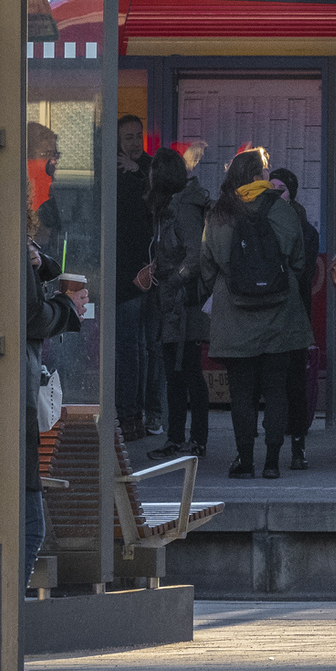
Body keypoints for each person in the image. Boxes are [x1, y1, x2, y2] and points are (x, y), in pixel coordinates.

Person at [200, 148, 309, 479]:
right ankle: (273, 462)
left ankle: (244, 460)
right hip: (280, 317)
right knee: (276, 390)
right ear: (259, 176)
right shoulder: (281, 209)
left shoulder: (220, 214)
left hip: (235, 317)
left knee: (241, 394)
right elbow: (299, 259)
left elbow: (208, 264)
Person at [23, 215, 84, 671]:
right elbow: (30, 316)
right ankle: (2, 653)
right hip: (6, 412)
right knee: (27, 528)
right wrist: (67, 306)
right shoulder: (1, 243)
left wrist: (40, 265)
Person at [142, 145, 210, 459]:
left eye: (154, 170)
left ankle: (193, 439)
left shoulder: (181, 209)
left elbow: (194, 256)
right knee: (176, 373)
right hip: (173, 300)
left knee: (188, 373)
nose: (149, 176)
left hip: (184, 303)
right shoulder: (170, 206)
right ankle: (179, 438)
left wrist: (172, 279)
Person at [269, 167, 321, 470]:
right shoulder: (261, 223)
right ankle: (279, 443)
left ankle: (298, 444)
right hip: (274, 313)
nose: (276, 192)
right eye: (271, 186)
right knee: (276, 382)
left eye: (282, 188)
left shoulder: (305, 229)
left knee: (294, 382)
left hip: (294, 314)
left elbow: (303, 273)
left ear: (292, 193)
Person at [114, 115, 154, 441]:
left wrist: (138, 172)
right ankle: (132, 413)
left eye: (137, 136)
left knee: (136, 346)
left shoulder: (148, 169)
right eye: (128, 138)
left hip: (142, 269)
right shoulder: (111, 171)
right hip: (121, 268)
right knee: (131, 345)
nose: (134, 143)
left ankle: (133, 414)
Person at [26, 121, 65, 247]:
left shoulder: (48, 188)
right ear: (28, 157)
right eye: (46, 154)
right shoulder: (21, 191)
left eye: (55, 155)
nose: (53, 161)